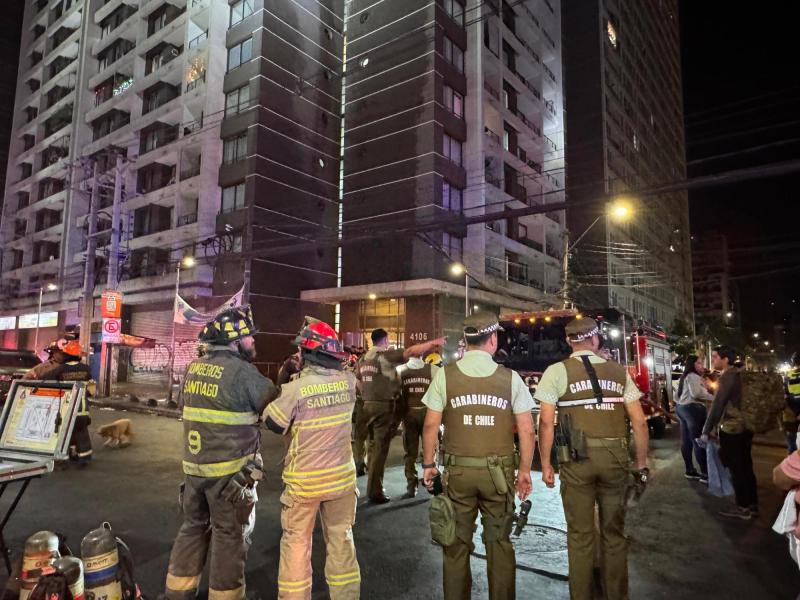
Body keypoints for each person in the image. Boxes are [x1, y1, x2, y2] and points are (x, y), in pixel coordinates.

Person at [164, 306, 277, 600]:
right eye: (249, 337)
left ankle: (178, 593)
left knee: (192, 528)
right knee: (229, 536)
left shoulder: (193, 368)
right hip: (230, 476)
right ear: (235, 342)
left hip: (194, 472)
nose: (253, 341)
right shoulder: (243, 373)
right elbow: (274, 408)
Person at [421, 312, 535, 600]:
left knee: (455, 546)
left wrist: (429, 464)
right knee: (499, 544)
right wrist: (524, 471)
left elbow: (431, 425)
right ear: (493, 339)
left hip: (458, 476)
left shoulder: (445, 375)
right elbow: (526, 429)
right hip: (498, 478)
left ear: (466, 340)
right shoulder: (511, 379)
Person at [535, 317, 649, 600]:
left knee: (580, 535)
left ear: (569, 341)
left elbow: (546, 423)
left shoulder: (556, 371)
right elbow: (639, 422)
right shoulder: (618, 371)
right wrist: (641, 463)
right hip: (615, 460)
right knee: (614, 534)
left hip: (576, 463)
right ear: (595, 339)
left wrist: (546, 464)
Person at [263, 317, 361, 599]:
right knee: (342, 540)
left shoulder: (296, 389)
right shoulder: (349, 382)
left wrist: (286, 374)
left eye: (301, 350)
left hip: (304, 484)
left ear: (309, 353)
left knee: (296, 544)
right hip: (341, 480)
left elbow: (273, 423)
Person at [356, 328, 444, 504]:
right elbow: (410, 352)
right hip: (388, 408)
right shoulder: (385, 356)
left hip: (367, 407)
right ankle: (376, 491)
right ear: (385, 341)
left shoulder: (363, 359)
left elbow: (358, 383)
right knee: (381, 450)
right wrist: (433, 343)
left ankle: (402, 485)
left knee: (376, 448)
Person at [701, 345, 759, 520]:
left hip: (732, 429)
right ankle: (752, 504)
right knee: (746, 465)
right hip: (746, 427)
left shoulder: (728, 376)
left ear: (725, 359)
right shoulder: (740, 374)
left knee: (736, 468)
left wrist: (706, 430)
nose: (713, 360)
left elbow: (718, 405)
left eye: (715, 357)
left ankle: (742, 508)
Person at [25, 338, 93, 465]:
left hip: (66, 409)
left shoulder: (60, 369)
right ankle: (84, 457)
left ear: (66, 354)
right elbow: (90, 388)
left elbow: (45, 380)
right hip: (82, 410)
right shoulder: (86, 369)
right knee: (81, 433)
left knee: (63, 434)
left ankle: (63, 458)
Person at [397, 353, 439, 498]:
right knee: (431, 450)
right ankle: (432, 483)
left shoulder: (400, 370)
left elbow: (396, 394)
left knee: (410, 453)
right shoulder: (433, 369)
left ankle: (411, 486)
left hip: (409, 414)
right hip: (428, 414)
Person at [675, 355, 713, 482]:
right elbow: (696, 394)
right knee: (698, 441)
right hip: (693, 410)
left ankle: (690, 470)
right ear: (693, 365)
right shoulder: (693, 376)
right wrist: (713, 397)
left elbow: (676, 396)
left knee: (686, 441)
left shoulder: (684, 376)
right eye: (699, 363)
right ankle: (705, 474)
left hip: (681, 408)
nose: (702, 366)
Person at [783, 352, 800, 454]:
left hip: (790, 413)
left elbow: (785, 395)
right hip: (796, 412)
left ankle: (792, 458)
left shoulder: (788, 376)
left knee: (791, 442)